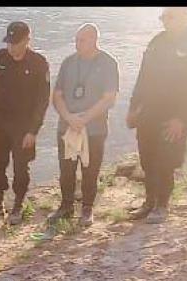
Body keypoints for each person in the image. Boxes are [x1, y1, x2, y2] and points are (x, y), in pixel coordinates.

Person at [126, 7, 187, 224]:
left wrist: (181, 118)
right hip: (149, 110)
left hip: (175, 114)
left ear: (185, 16)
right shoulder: (157, 42)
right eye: (162, 17)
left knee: (166, 158)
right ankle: (149, 201)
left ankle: (162, 205)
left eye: (169, 17)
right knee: (147, 156)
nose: (164, 21)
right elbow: (143, 76)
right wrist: (133, 107)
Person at [0, 21, 51, 225]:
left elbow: (43, 101)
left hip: (24, 127)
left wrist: (33, 131)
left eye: (15, 43)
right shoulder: (1, 57)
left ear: (27, 40)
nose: (11, 48)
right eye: (9, 43)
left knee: (20, 167)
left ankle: (17, 206)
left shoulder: (38, 63)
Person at [50, 23, 120, 227]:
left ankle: (87, 208)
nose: (77, 44)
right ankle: (66, 206)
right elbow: (57, 95)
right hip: (68, 126)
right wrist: (69, 118)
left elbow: (109, 98)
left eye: (82, 40)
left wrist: (85, 118)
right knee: (67, 169)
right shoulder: (69, 62)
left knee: (90, 169)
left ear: (94, 40)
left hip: (94, 128)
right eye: (76, 39)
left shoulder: (107, 63)